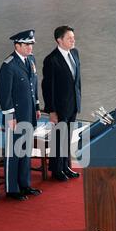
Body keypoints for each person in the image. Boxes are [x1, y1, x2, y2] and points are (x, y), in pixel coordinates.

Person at [0, 29, 42, 201]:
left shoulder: (31, 60)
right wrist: (11, 117)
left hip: (29, 113)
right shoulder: (8, 65)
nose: (30, 47)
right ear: (17, 45)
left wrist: (37, 106)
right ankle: (12, 188)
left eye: (31, 44)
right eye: (27, 44)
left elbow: (33, 86)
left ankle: (24, 184)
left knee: (25, 151)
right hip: (15, 117)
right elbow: (4, 94)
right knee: (14, 152)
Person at [42, 25, 81, 181]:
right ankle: (57, 170)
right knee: (59, 138)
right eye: (69, 38)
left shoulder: (75, 53)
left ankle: (65, 166)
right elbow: (47, 87)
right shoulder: (51, 60)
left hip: (73, 104)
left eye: (73, 37)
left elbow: (77, 81)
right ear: (59, 40)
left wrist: (79, 100)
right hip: (59, 107)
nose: (73, 40)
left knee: (67, 137)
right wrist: (51, 110)